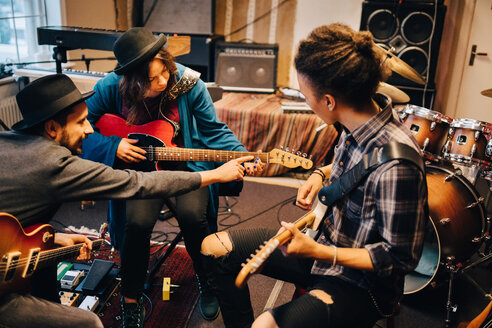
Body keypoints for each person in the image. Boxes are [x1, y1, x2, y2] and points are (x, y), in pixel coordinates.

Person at [201, 23, 428, 328]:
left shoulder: (398, 168)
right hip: (321, 244)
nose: (307, 103)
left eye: (306, 95)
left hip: (362, 285)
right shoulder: (357, 120)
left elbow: (399, 259)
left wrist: (318, 250)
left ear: (329, 101)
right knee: (213, 248)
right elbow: (355, 167)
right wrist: (321, 174)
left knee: (265, 325)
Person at [0, 73, 252, 328]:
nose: (90, 129)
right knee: (90, 324)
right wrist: (215, 174)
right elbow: (137, 183)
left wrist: (53, 237)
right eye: (81, 122)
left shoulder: (6, 141)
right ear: (52, 128)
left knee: (46, 261)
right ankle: (130, 298)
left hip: (12, 248)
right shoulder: (56, 163)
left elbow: (12, 220)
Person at [80, 27, 264, 325]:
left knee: (195, 217)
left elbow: (214, 131)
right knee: (136, 224)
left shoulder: (190, 84)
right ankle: (131, 298)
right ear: (133, 81)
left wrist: (243, 154)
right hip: (141, 174)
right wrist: (114, 145)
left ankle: (207, 280)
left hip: (186, 170)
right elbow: (81, 126)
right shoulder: (112, 86)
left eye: (164, 71)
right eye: (152, 80)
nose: (163, 81)